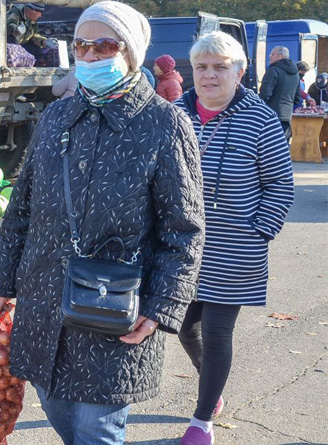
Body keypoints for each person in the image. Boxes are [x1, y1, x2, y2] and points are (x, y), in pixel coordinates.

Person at [0, 2, 206, 443]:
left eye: (104, 44)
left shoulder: (164, 123)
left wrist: (161, 307)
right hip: (45, 297)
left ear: (131, 52)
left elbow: (183, 230)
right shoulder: (55, 118)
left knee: (96, 428)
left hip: (115, 305)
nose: (89, 55)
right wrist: (3, 281)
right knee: (55, 405)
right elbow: (22, 208)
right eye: (81, 45)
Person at [173, 31, 294, 445]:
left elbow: (281, 184)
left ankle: (202, 419)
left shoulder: (260, 120)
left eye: (220, 67)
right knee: (185, 328)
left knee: (218, 331)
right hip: (179, 248)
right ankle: (214, 389)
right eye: (201, 67)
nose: (209, 75)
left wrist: (259, 231)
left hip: (235, 247)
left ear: (239, 71)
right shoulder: (174, 113)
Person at [259, 46, 300, 139]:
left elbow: (265, 95)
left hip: (271, 116)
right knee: (283, 148)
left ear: (281, 56)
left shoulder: (273, 70)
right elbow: (297, 98)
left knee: (270, 148)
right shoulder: (296, 74)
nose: (270, 56)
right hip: (287, 116)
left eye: (272, 54)